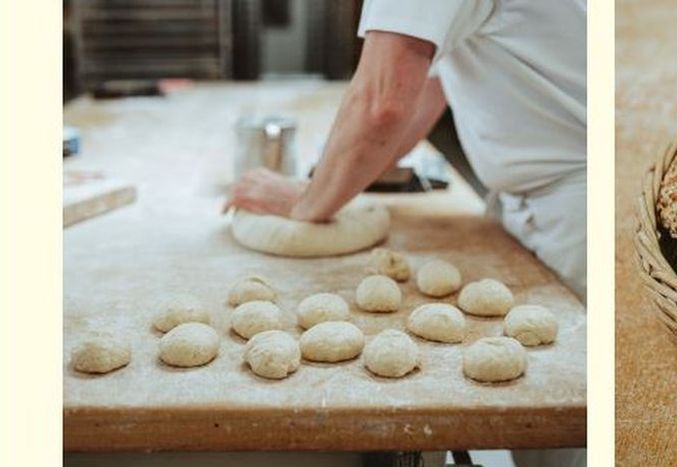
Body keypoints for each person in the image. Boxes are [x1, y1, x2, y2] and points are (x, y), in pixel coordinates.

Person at [226, 0, 588, 308]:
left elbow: (381, 105)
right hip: (560, 205)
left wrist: (306, 202)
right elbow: (424, 87)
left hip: (577, 222)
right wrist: (330, 181)